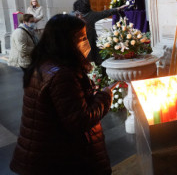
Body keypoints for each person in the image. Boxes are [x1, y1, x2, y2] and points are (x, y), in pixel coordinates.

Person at [10, 14, 113, 175]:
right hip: (61, 160)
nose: (87, 42)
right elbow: (80, 120)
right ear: (66, 41)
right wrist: (105, 96)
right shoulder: (62, 74)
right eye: (82, 38)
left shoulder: (44, 64)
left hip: (45, 155)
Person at [73, 0, 126, 65]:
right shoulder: (92, 15)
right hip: (91, 42)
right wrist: (118, 8)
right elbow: (105, 13)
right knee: (95, 58)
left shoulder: (75, 17)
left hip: (80, 44)